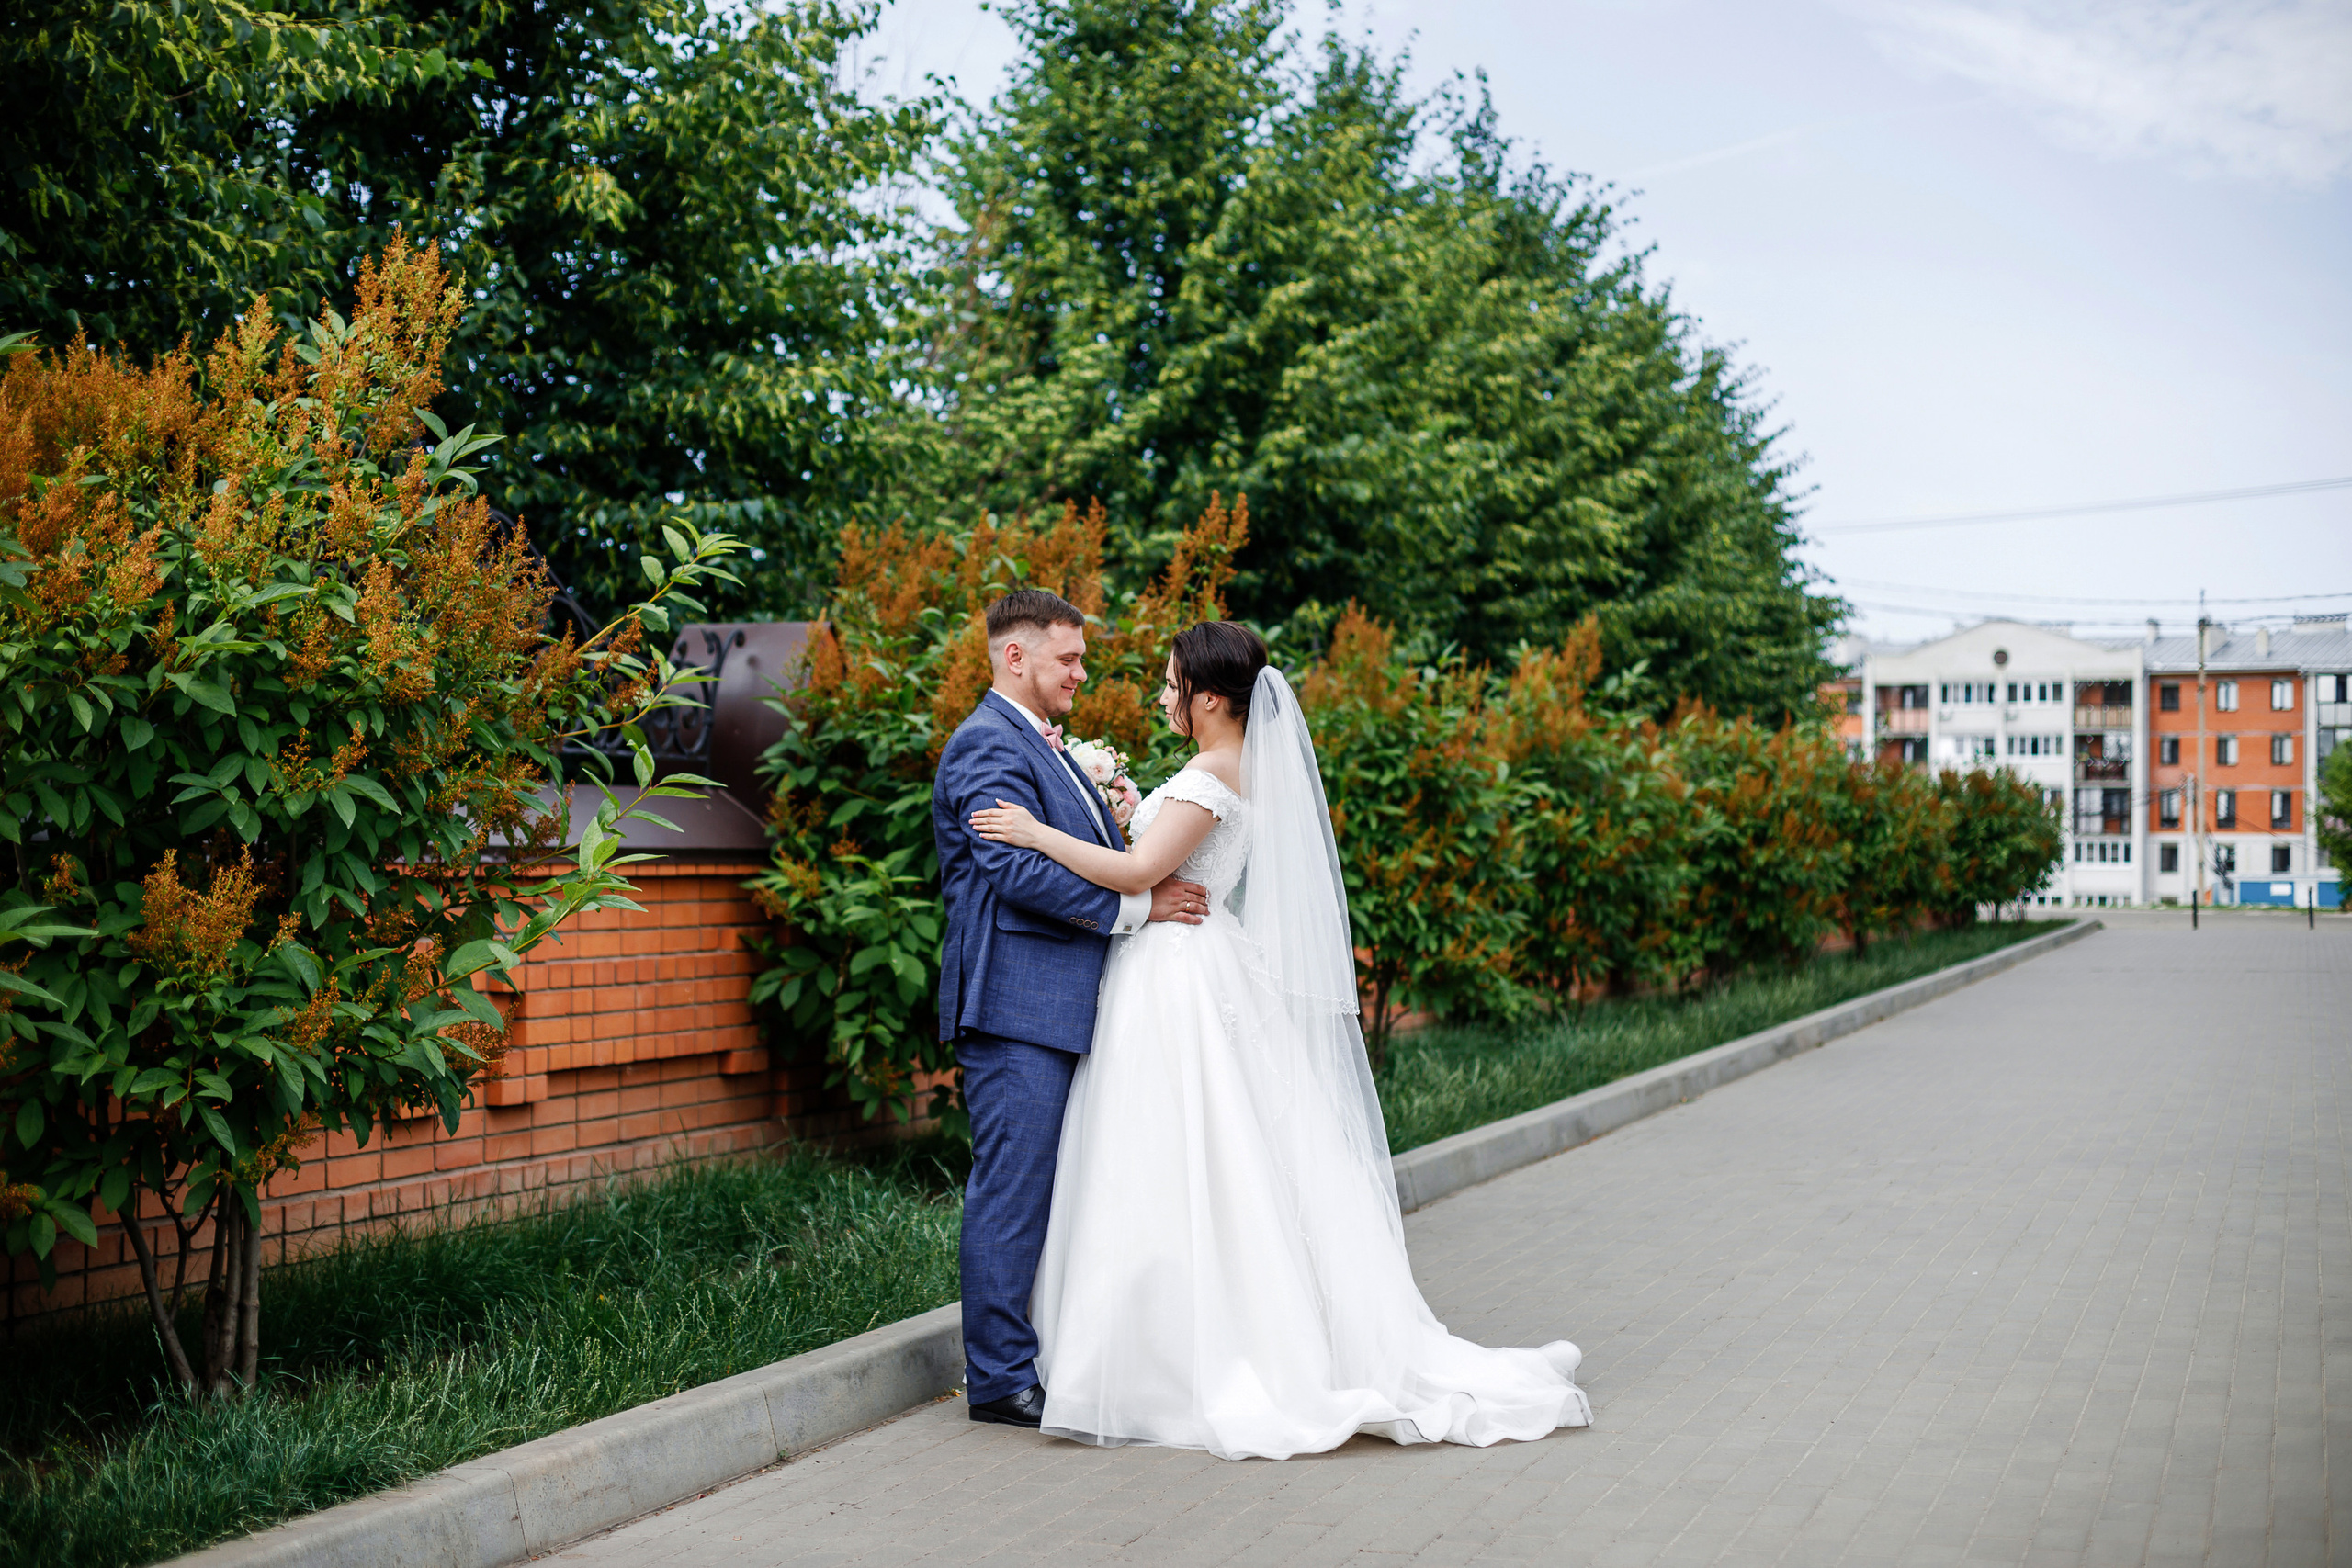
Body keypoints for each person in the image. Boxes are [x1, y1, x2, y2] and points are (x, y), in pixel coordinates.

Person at [967, 620, 1590, 1461]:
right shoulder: (1227, 769)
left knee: (1182, 1156)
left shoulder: (1211, 776)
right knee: (1197, 1157)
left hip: (1180, 976)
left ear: (1210, 698)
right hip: (1187, 967)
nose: (1161, 693)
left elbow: (1135, 873)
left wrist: (1039, 831)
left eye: (1170, 681)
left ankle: (1171, 1355)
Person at [930, 589, 1211, 1428]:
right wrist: (1140, 907)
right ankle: (1000, 1381)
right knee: (1013, 1191)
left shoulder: (1038, 744)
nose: (1083, 673)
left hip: (1057, 1004)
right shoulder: (985, 746)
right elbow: (1016, 873)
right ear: (1015, 657)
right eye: (1070, 659)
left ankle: (1033, 1356)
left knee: (1047, 1189)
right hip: (1014, 1005)